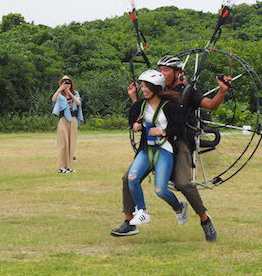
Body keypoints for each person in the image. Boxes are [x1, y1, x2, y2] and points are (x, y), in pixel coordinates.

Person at [111, 55, 232, 242]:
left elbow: (211, 105)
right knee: (128, 178)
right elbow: (143, 112)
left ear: (177, 73)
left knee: (183, 183)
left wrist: (222, 92)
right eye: (160, 69)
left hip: (179, 141)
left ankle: (205, 220)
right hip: (151, 143)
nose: (162, 73)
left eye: (166, 70)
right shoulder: (153, 87)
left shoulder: (187, 91)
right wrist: (135, 97)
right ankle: (129, 222)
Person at [121, 69, 187, 227]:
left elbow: (180, 128)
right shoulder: (140, 105)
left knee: (160, 190)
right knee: (132, 178)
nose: (143, 89)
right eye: (142, 86)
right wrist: (135, 126)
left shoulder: (171, 106)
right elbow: (133, 121)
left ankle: (179, 208)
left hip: (164, 149)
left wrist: (163, 131)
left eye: (146, 86)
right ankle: (142, 212)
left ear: (157, 87)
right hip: (147, 149)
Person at [52, 75, 83, 173]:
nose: (67, 84)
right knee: (63, 144)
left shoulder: (75, 93)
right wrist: (59, 89)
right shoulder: (60, 95)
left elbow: (78, 103)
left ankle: (68, 166)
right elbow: (53, 99)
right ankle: (62, 167)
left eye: (68, 82)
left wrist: (70, 93)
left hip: (73, 120)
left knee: (71, 144)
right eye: (65, 82)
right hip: (63, 120)